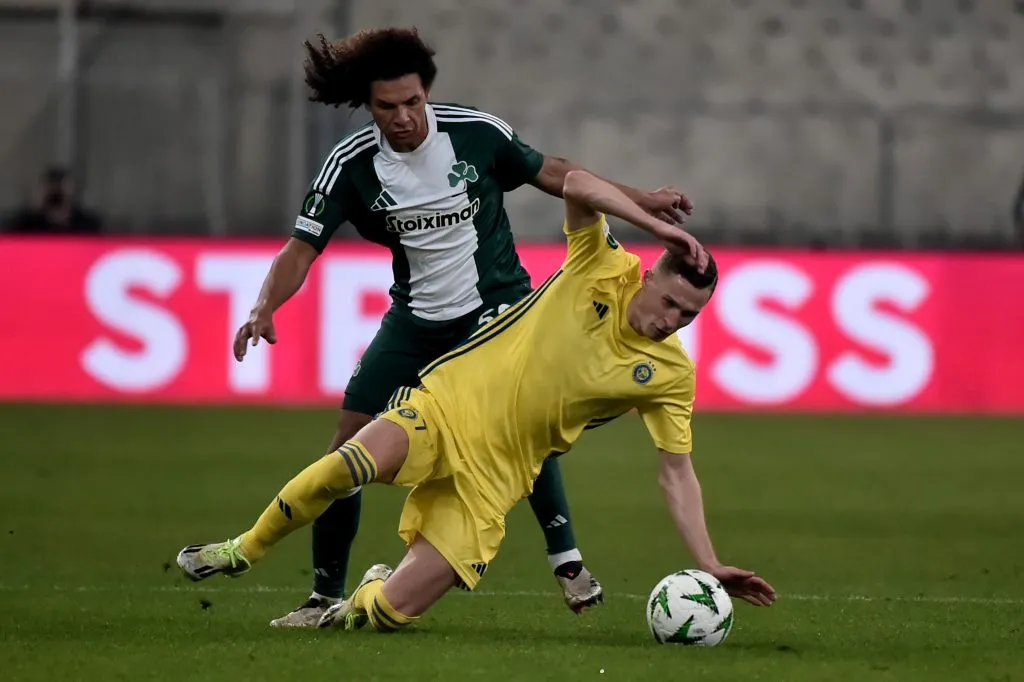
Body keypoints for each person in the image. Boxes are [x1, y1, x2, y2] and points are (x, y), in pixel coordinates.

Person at [177, 168, 777, 635]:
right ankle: (242, 549)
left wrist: (709, 561)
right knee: (350, 464)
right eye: (671, 303)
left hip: (499, 476)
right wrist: (656, 221)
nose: (673, 322)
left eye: (689, 316)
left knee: (391, 615)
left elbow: (677, 474)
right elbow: (575, 185)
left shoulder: (670, 376)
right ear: (649, 274)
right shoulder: (601, 264)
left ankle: (362, 600)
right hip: (448, 405)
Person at [233, 26, 696, 627]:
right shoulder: (350, 166)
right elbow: (301, 248)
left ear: (426, 94)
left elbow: (558, 174)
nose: (403, 117)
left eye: (413, 103)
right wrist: (263, 307)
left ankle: (567, 558)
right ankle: (324, 595)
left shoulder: (475, 134)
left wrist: (641, 201)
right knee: (346, 448)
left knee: (522, 420)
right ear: (368, 107)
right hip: (417, 319)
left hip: (497, 311)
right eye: (387, 107)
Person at [5, 167, 102, 235]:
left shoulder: (86, 225)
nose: (56, 197)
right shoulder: (25, 224)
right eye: (52, 193)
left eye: (60, 193)